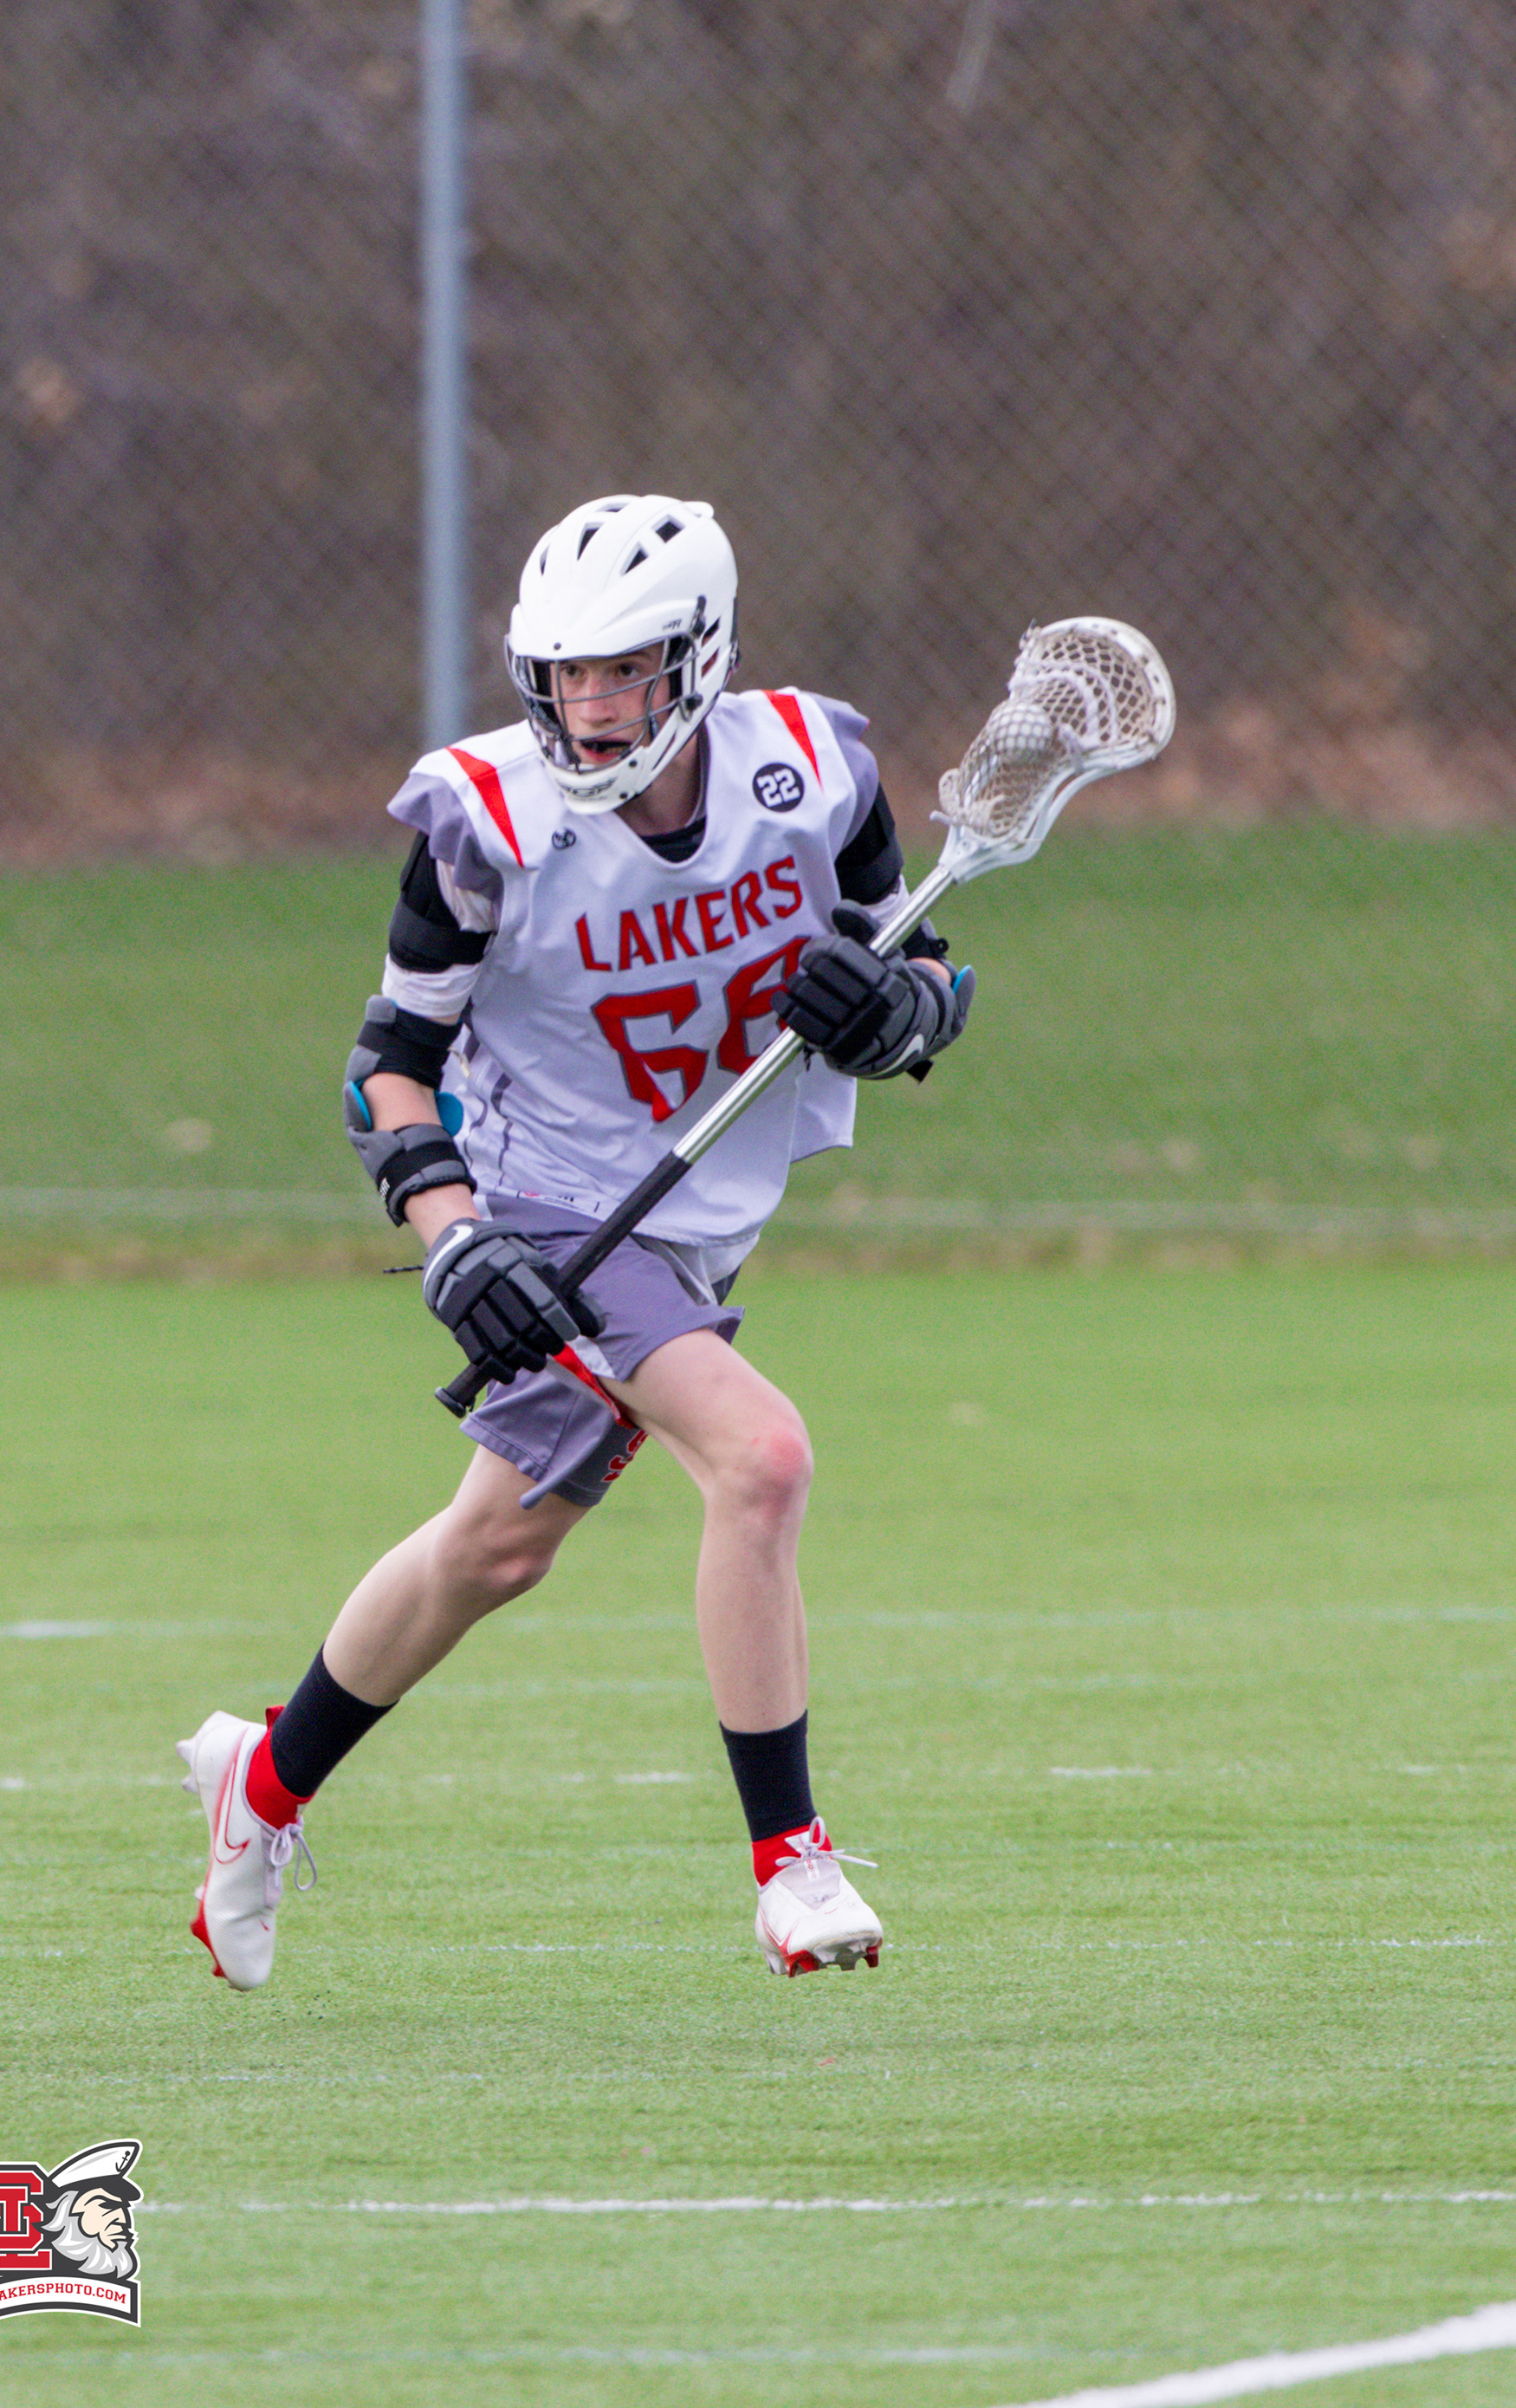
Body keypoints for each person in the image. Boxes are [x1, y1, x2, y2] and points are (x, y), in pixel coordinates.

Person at [178, 493, 972, 1989]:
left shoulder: (813, 775)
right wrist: (452, 1239)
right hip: (552, 1208)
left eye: (622, 673)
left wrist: (898, 1013)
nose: (590, 708)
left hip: (694, 1215)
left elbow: (916, 966)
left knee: (497, 1547)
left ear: (700, 659)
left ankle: (262, 1781)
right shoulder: (489, 826)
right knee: (763, 1459)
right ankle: (791, 1863)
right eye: (565, 676)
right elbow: (386, 1067)